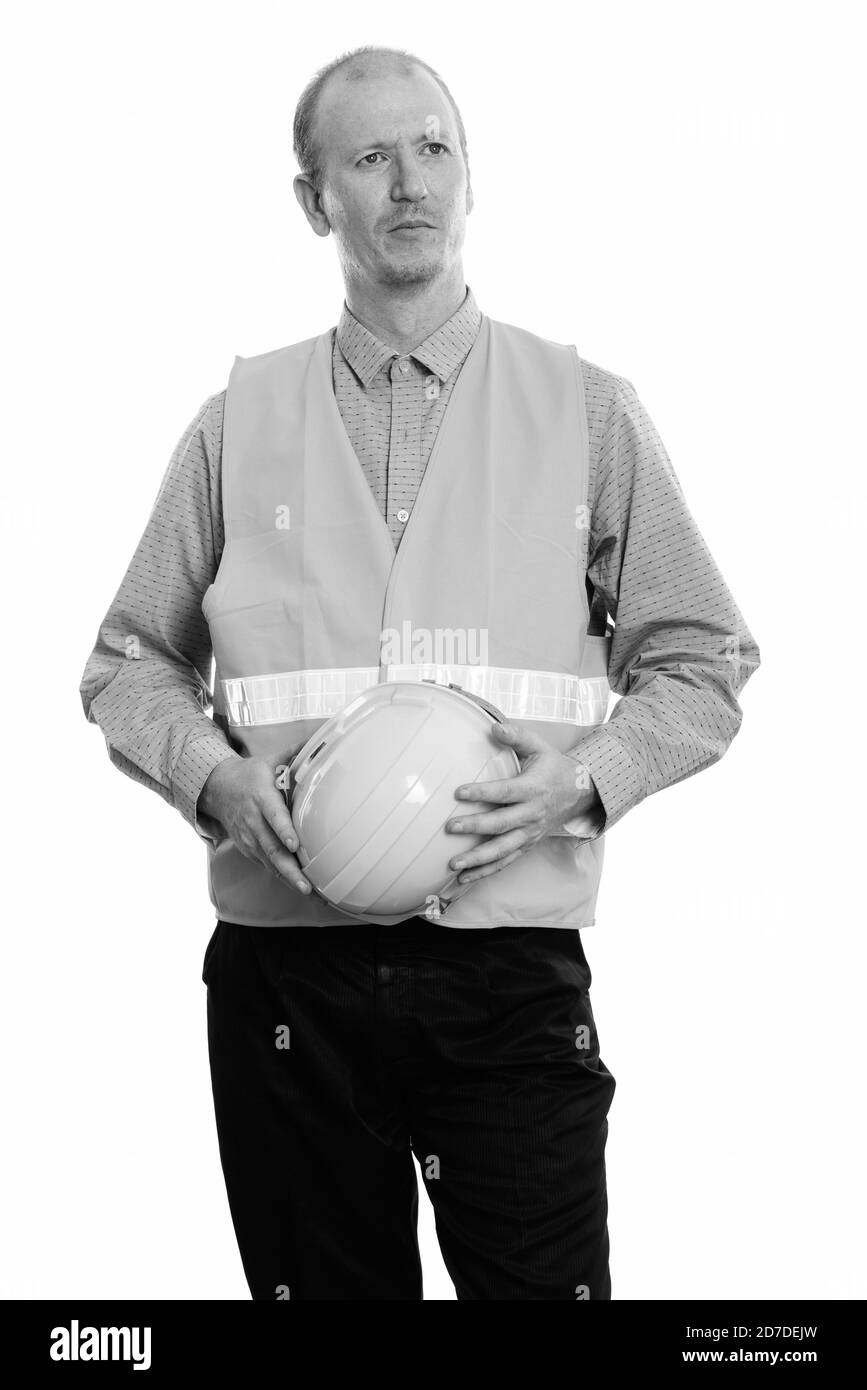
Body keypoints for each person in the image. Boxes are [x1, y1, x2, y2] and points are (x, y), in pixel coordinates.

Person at [79, 44, 760, 1301]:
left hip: (506, 971)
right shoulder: (236, 425)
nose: (410, 183)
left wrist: (588, 780)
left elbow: (703, 659)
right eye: (371, 156)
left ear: (470, 176)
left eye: (434, 148)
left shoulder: (589, 412)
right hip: (289, 979)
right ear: (314, 198)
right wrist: (215, 782)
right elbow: (128, 667)